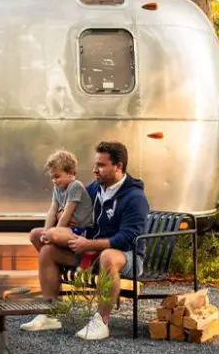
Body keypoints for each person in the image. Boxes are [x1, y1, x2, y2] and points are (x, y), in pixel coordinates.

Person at [20, 141, 149, 341]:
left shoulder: (134, 197)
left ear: (119, 166)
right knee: (45, 247)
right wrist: (68, 218)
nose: (94, 170)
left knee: (108, 256)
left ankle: (102, 321)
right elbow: (76, 210)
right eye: (95, 164)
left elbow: (128, 238)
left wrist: (89, 245)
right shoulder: (94, 189)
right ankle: (51, 313)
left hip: (126, 255)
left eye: (101, 165)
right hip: (89, 251)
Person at [28, 150, 93, 253]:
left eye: (57, 176)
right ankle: (54, 259)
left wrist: (54, 232)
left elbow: (67, 213)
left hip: (81, 230)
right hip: (68, 228)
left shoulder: (75, 186)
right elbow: (52, 211)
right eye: (52, 177)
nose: (54, 181)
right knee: (34, 234)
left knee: (51, 235)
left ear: (70, 173)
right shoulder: (57, 188)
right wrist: (46, 231)